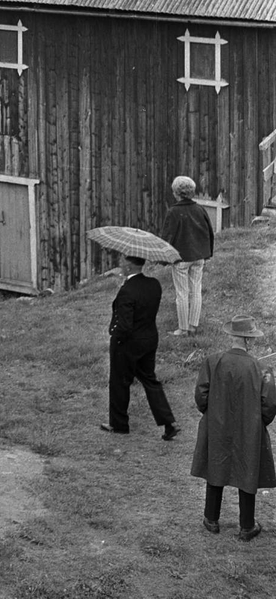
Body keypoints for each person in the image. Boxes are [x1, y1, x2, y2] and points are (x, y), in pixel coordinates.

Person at [191, 314, 275, 540]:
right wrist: (257, 423)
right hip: (249, 428)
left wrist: (213, 416)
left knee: (215, 465)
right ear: (249, 340)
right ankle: (247, 527)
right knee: (248, 470)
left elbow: (201, 395)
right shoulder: (261, 369)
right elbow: (269, 405)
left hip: (217, 424)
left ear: (232, 336)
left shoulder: (212, 362)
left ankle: (211, 519)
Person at [100, 255, 179, 439]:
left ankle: (119, 424)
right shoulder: (154, 284)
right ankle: (169, 422)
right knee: (150, 381)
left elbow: (125, 325)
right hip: (149, 338)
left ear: (128, 266)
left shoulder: (127, 290)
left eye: (122, 261)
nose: (119, 264)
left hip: (128, 343)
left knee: (119, 382)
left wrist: (115, 334)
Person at [160, 174, 215, 336]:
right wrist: (207, 253)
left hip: (181, 258)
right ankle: (193, 325)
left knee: (182, 293)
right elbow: (209, 232)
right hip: (199, 256)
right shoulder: (200, 209)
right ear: (191, 192)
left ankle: (183, 328)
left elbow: (167, 236)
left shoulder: (173, 212)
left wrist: (163, 259)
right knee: (196, 290)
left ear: (176, 193)